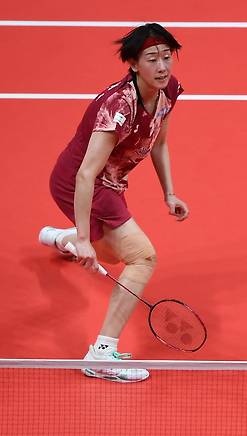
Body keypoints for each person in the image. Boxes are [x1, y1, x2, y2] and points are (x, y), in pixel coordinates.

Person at [39, 23, 189, 383]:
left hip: (111, 182)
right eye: (152, 59)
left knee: (109, 255)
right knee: (142, 257)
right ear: (134, 64)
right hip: (82, 182)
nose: (162, 66)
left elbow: (159, 142)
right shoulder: (117, 106)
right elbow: (85, 175)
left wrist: (169, 193)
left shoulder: (166, 90)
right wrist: (86, 240)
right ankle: (101, 353)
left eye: (167, 57)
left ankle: (64, 239)